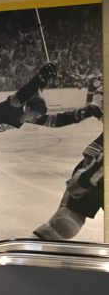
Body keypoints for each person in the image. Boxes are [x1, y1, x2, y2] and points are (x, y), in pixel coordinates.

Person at [32, 83, 103, 240]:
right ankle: (23, 262)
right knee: (64, 223)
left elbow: (96, 105)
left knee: (64, 224)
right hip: (97, 161)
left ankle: (22, 262)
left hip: (96, 163)